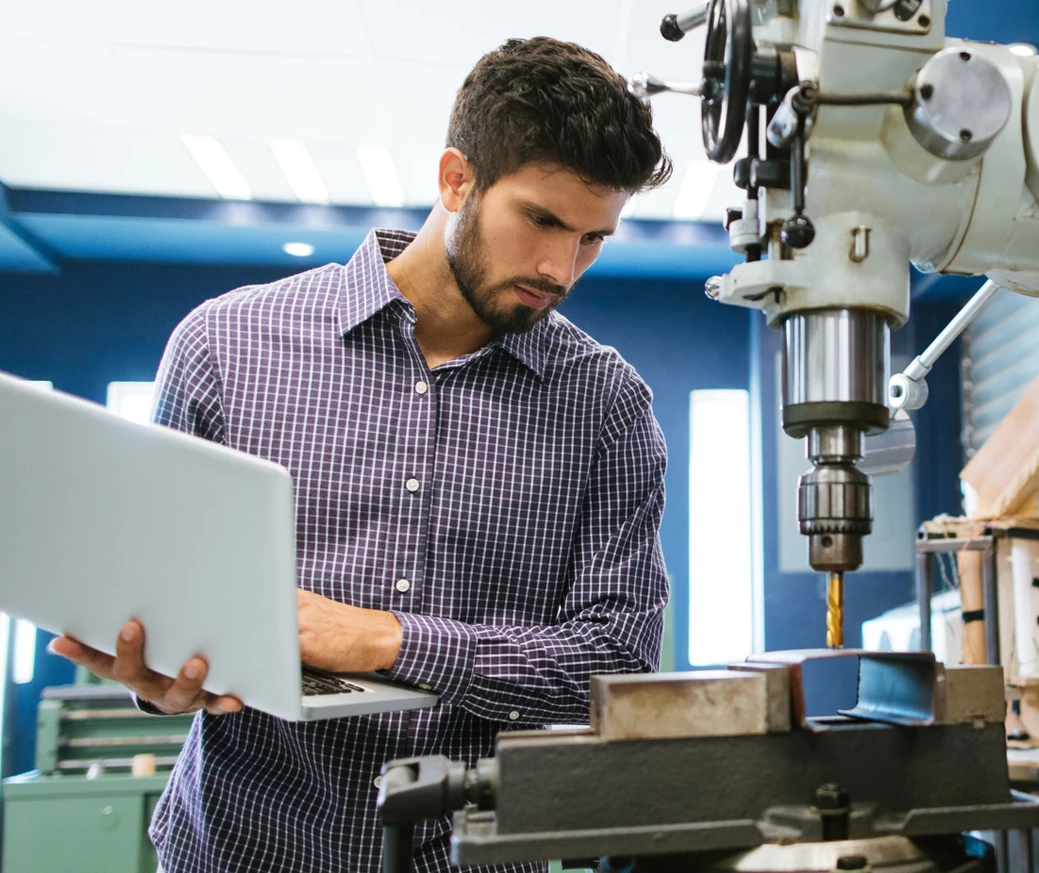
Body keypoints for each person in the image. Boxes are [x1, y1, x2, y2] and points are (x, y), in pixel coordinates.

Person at [51, 35, 673, 873]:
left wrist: (389, 639)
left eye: (592, 239)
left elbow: (614, 665)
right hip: (240, 848)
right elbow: (160, 603)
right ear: (457, 179)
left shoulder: (605, 405)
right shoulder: (224, 347)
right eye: (541, 221)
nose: (560, 268)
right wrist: (157, 678)